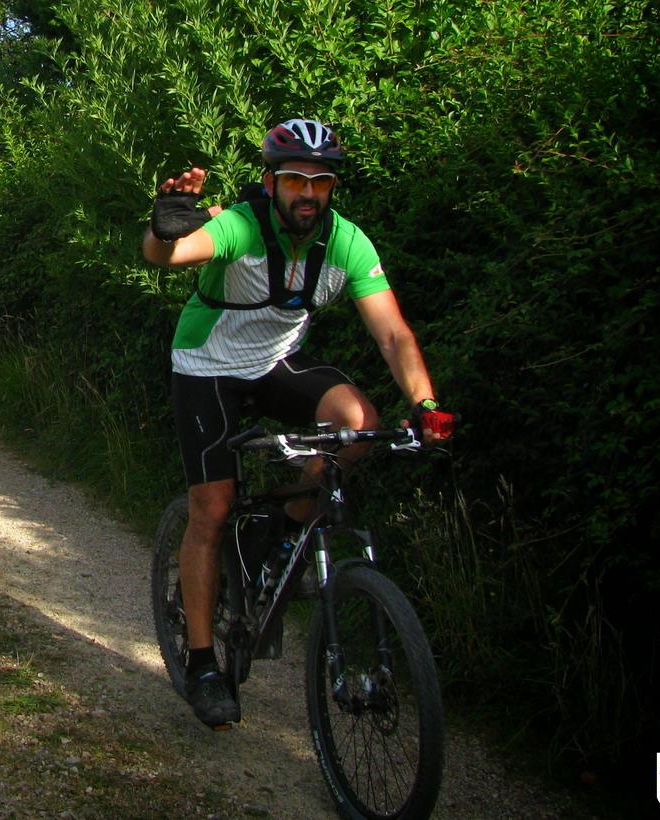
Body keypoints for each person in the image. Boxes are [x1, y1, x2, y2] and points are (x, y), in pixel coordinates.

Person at [142, 118, 455, 728]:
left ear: (332, 187)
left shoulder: (347, 243)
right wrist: (160, 228)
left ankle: (281, 530)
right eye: (294, 180)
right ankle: (203, 664)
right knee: (212, 507)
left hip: (275, 363)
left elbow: (393, 334)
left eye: (320, 181)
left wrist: (425, 404)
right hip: (207, 365)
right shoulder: (240, 225)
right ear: (271, 183)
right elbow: (169, 254)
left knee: (358, 423)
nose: (308, 193)